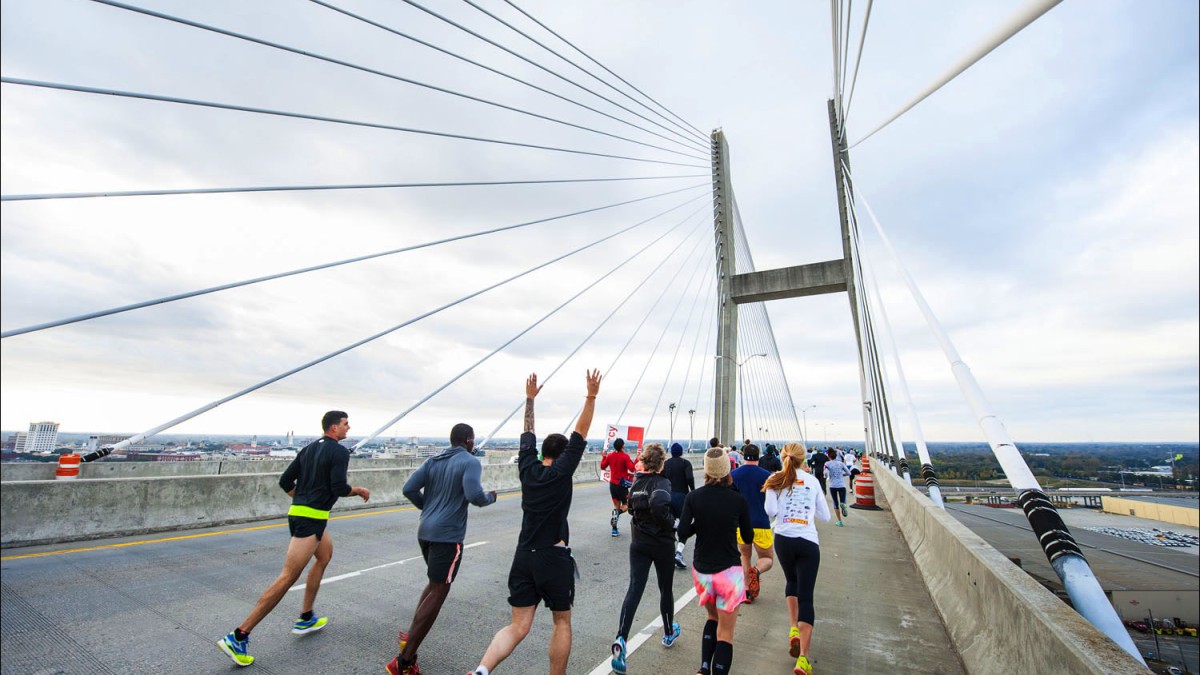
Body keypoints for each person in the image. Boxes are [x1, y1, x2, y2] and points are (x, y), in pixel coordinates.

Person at [470, 370, 601, 675]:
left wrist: (529, 399)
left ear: (542, 452)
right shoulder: (562, 472)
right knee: (561, 621)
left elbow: (527, 433)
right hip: (552, 555)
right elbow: (581, 432)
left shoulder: (527, 468)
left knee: (517, 626)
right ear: (564, 454)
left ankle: (481, 670)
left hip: (523, 555)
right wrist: (591, 395)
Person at [217, 411, 371, 667]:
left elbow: (285, 481)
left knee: (324, 556)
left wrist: (302, 498)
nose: (349, 427)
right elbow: (338, 488)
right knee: (288, 576)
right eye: (345, 424)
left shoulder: (308, 449)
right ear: (334, 428)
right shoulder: (340, 452)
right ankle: (239, 635)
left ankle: (306, 615)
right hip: (311, 519)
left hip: (304, 514)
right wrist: (358, 490)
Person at [387, 424, 498, 674]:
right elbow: (474, 495)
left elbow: (409, 489)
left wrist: (428, 508)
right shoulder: (470, 462)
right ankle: (404, 661)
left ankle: (410, 638)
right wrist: (491, 496)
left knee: (433, 585)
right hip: (448, 536)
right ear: (469, 440)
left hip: (425, 532)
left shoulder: (433, 460)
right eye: (473, 439)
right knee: (439, 592)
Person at [678, 448, 752, 675]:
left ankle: (703, 668)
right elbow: (748, 536)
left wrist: (700, 524)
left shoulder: (693, 497)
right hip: (728, 572)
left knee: (712, 616)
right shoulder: (738, 500)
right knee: (726, 634)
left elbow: (682, 532)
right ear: (728, 469)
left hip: (702, 571)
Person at [610, 443, 681, 674]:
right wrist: (673, 522)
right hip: (661, 544)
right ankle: (669, 632)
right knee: (665, 588)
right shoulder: (662, 482)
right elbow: (659, 505)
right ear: (661, 463)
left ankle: (621, 638)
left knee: (634, 589)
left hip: (639, 543)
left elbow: (630, 509)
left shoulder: (637, 482)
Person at [763, 443, 831, 675]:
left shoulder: (775, 479)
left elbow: (771, 511)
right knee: (807, 597)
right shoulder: (813, 482)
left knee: (791, 580)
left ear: (783, 457)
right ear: (804, 460)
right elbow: (826, 516)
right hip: (808, 541)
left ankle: (793, 628)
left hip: (784, 540)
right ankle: (803, 658)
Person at [730, 444, 775, 603]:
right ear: (758, 456)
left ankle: (747, 592)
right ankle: (756, 571)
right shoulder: (767, 476)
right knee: (767, 558)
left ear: (743, 455)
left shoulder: (734, 474)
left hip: (741, 524)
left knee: (744, 556)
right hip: (761, 522)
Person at [662, 442, 696, 569]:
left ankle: (668, 552)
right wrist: (692, 490)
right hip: (682, 497)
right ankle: (678, 552)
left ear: (671, 452)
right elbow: (689, 478)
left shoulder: (666, 463)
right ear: (681, 452)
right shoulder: (685, 463)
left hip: (668, 495)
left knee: (670, 524)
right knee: (684, 524)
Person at [601, 437, 636, 537]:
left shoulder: (610, 456)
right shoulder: (625, 456)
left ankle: (614, 530)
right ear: (622, 446)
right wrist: (636, 460)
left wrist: (604, 456)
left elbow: (603, 467)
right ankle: (618, 513)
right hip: (622, 485)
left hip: (612, 485)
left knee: (616, 506)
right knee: (626, 505)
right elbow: (632, 469)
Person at [823, 448, 850, 526]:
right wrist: (841, 475)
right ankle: (843, 504)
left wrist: (827, 476)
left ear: (829, 457)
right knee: (842, 501)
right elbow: (848, 472)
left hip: (833, 485)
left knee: (835, 503)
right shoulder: (841, 463)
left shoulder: (827, 464)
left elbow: (825, 474)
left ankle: (839, 521)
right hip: (842, 485)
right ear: (836, 456)